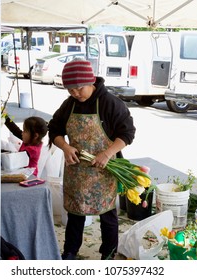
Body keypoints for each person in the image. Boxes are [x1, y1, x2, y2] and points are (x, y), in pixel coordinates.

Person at [48, 59, 136, 260]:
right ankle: (70, 251)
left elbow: (127, 133)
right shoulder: (69, 105)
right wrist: (65, 147)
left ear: (91, 81)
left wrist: (107, 153)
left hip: (104, 170)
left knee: (107, 215)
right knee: (76, 213)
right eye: (70, 90)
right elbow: (54, 129)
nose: (75, 94)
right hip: (77, 169)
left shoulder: (110, 103)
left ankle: (108, 253)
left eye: (78, 88)